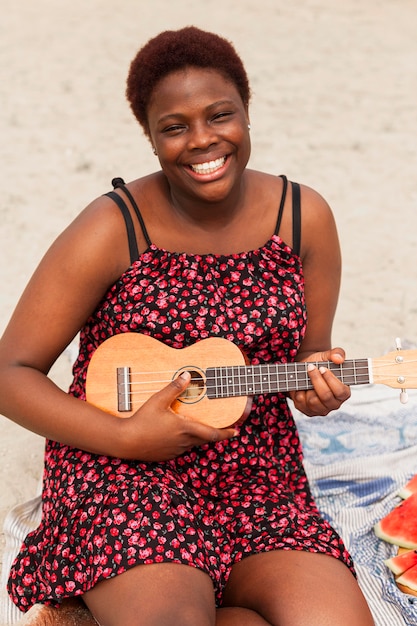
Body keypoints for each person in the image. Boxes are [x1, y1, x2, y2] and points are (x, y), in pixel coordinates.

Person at [0, 26, 374, 626]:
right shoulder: (112, 227)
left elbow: (309, 359)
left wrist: (317, 389)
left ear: (246, 115)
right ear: (151, 140)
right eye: (175, 127)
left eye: (219, 116)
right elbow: (9, 372)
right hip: (119, 471)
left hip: (258, 474)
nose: (202, 141)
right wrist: (126, 440)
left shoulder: (304, 219)